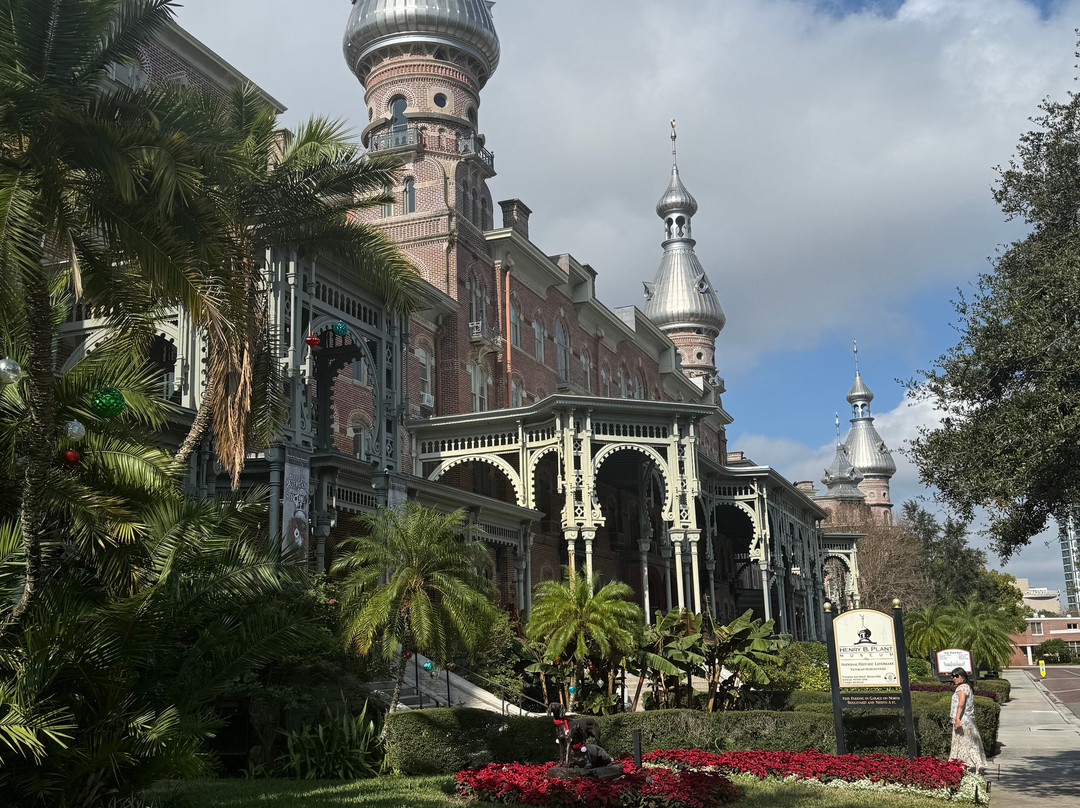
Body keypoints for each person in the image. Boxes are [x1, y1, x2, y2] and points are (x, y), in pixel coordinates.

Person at [949, 667, 987, 773]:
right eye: (952, 676)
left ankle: (964, 765)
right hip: (969, 720)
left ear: (963, 676)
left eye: (956, 676)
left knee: (961, 744)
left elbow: (961, 703)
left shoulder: (962, 688)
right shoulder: (968, 687)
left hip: (962, 721)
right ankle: (977, 763)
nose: (954, 678)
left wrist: (957, 719)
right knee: (971, 743)